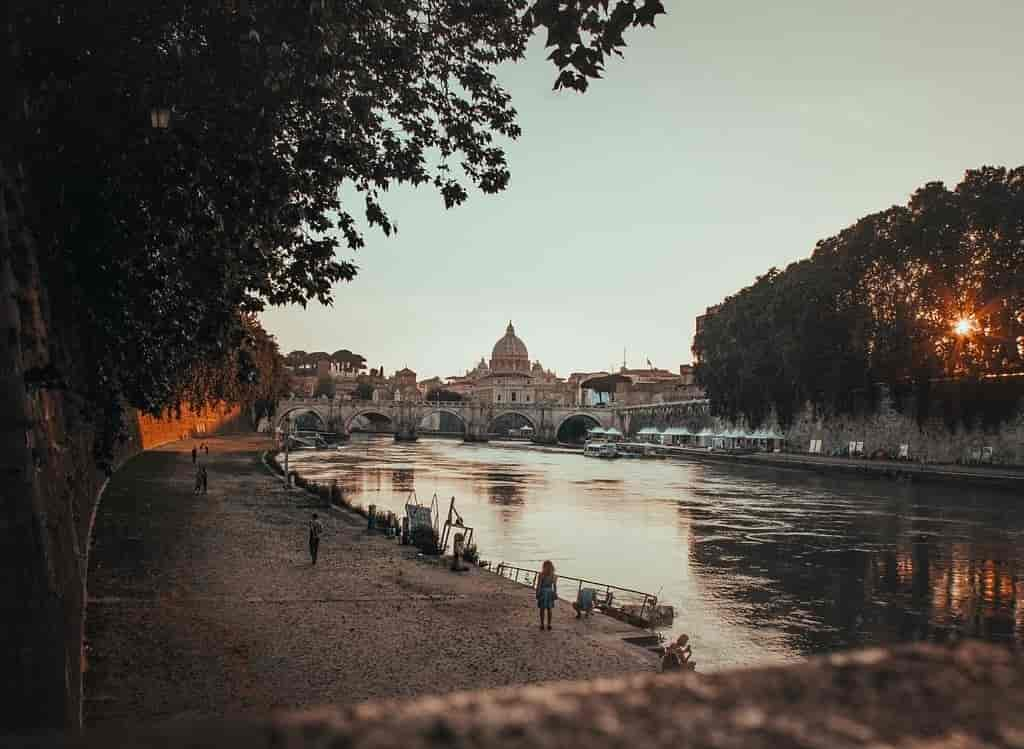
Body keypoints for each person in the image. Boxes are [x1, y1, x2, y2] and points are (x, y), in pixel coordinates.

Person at [536, 560, 557, 630]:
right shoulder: (553, 575)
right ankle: (549, 624)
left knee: (542, 609)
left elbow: (539, 585)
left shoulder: (541, 574)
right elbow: (554, 586)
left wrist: (537, 593)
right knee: (549, 609)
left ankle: (542, 624)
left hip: (543, 592)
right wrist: (555, 593)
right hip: (550, 592)